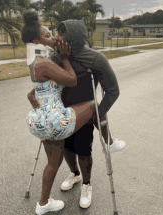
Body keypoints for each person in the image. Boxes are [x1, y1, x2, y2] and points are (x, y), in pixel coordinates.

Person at [27, 18, 126, 211]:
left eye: (61, 33)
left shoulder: (95, 59)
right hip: (60, 115)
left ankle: (87, 185)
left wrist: (98, 115)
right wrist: (32, 94)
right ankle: (75, 174)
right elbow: (43, 83)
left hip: (84, 115)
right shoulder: (55, 57)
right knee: (66, 150)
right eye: (56, 33)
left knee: (83, 151)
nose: (57, 37)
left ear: (73, 37)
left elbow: (113, 90)